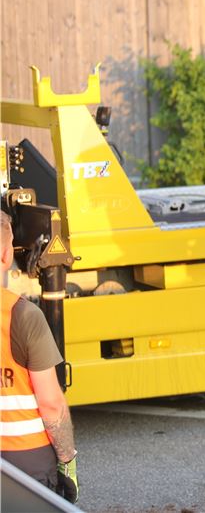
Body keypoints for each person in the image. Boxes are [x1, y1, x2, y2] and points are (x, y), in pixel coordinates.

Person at [1, 211, 79, 504]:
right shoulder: (22, 316)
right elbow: (50, 404)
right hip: (25, 463)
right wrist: (67, 460)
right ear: (7, 254)